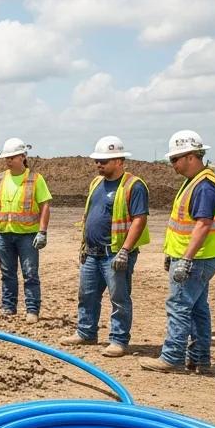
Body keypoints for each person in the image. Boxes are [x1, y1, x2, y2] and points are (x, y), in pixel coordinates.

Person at [141, 129, 215, 374]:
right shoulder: (195, 182)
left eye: (175, 159)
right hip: (196, 257)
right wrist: (172, 254)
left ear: (191, 156)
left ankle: (171, 357)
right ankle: (199, 358)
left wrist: (184, 260)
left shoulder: (204, 186)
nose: (173, 164)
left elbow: (203, 224)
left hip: (197, 259)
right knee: (197, 308)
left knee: (179, 306)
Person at [60, 136, 149, 357]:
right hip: (92, 253)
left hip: (115, 253)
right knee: (87, 294)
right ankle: (86, 332)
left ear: (119, 161)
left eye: (104, 161)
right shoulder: (96, 183)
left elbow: (139, 219)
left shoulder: (134, 186)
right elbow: (90, 214)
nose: (99, 164)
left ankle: (118, 339)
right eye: (97, 160)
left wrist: (125, 251)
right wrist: (83, 245)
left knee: (119, 297)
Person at [0, 138, 51, 322]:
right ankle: (8, 307)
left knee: (30, 273)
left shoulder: (35, 179)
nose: (8, 160)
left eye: (12, 157)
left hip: (28, 235)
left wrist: (42, 231)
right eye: (6, 157)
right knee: (7, 273)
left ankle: (32, 310)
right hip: (4, 234)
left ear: (22, 157)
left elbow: (44, 206)